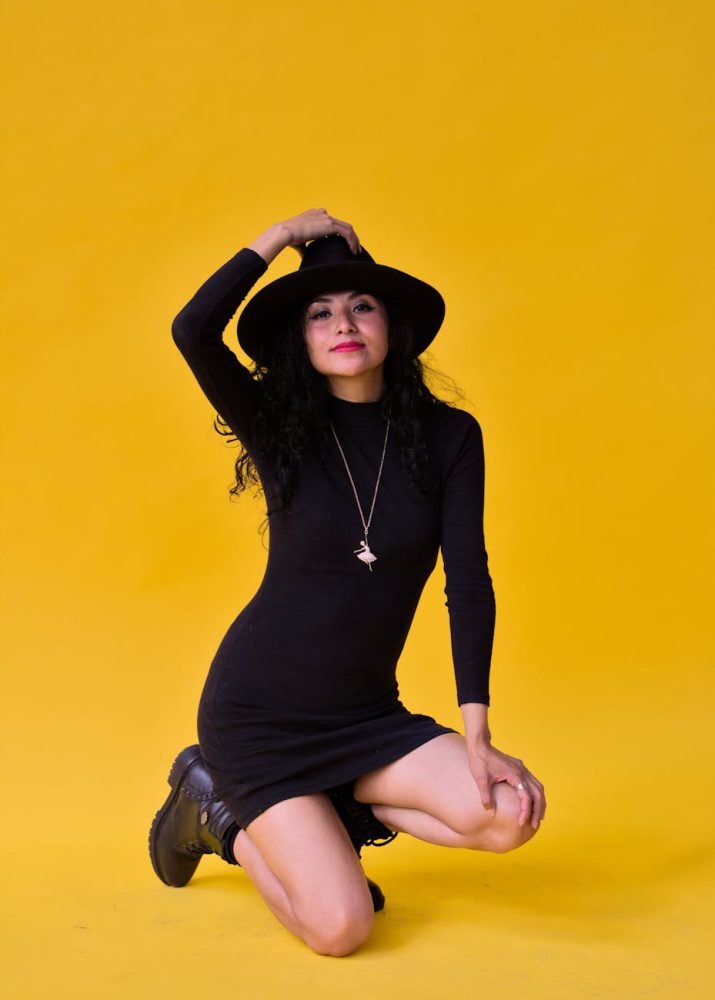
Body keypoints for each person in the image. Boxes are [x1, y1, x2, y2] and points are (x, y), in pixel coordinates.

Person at [149, 207, 546, 957]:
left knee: (510, 811)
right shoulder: (280, 428)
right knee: (339, 928)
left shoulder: (450, 437)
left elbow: (468, 577)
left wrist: (477, 735)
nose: (344, 323)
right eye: (320, 312)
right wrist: (276, 238)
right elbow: (192, 330)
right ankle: (218, 813)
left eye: (361, 306)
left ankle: (335, 809)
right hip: (259, 719)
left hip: (366, 721)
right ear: (300, 339)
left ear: (390, 326)